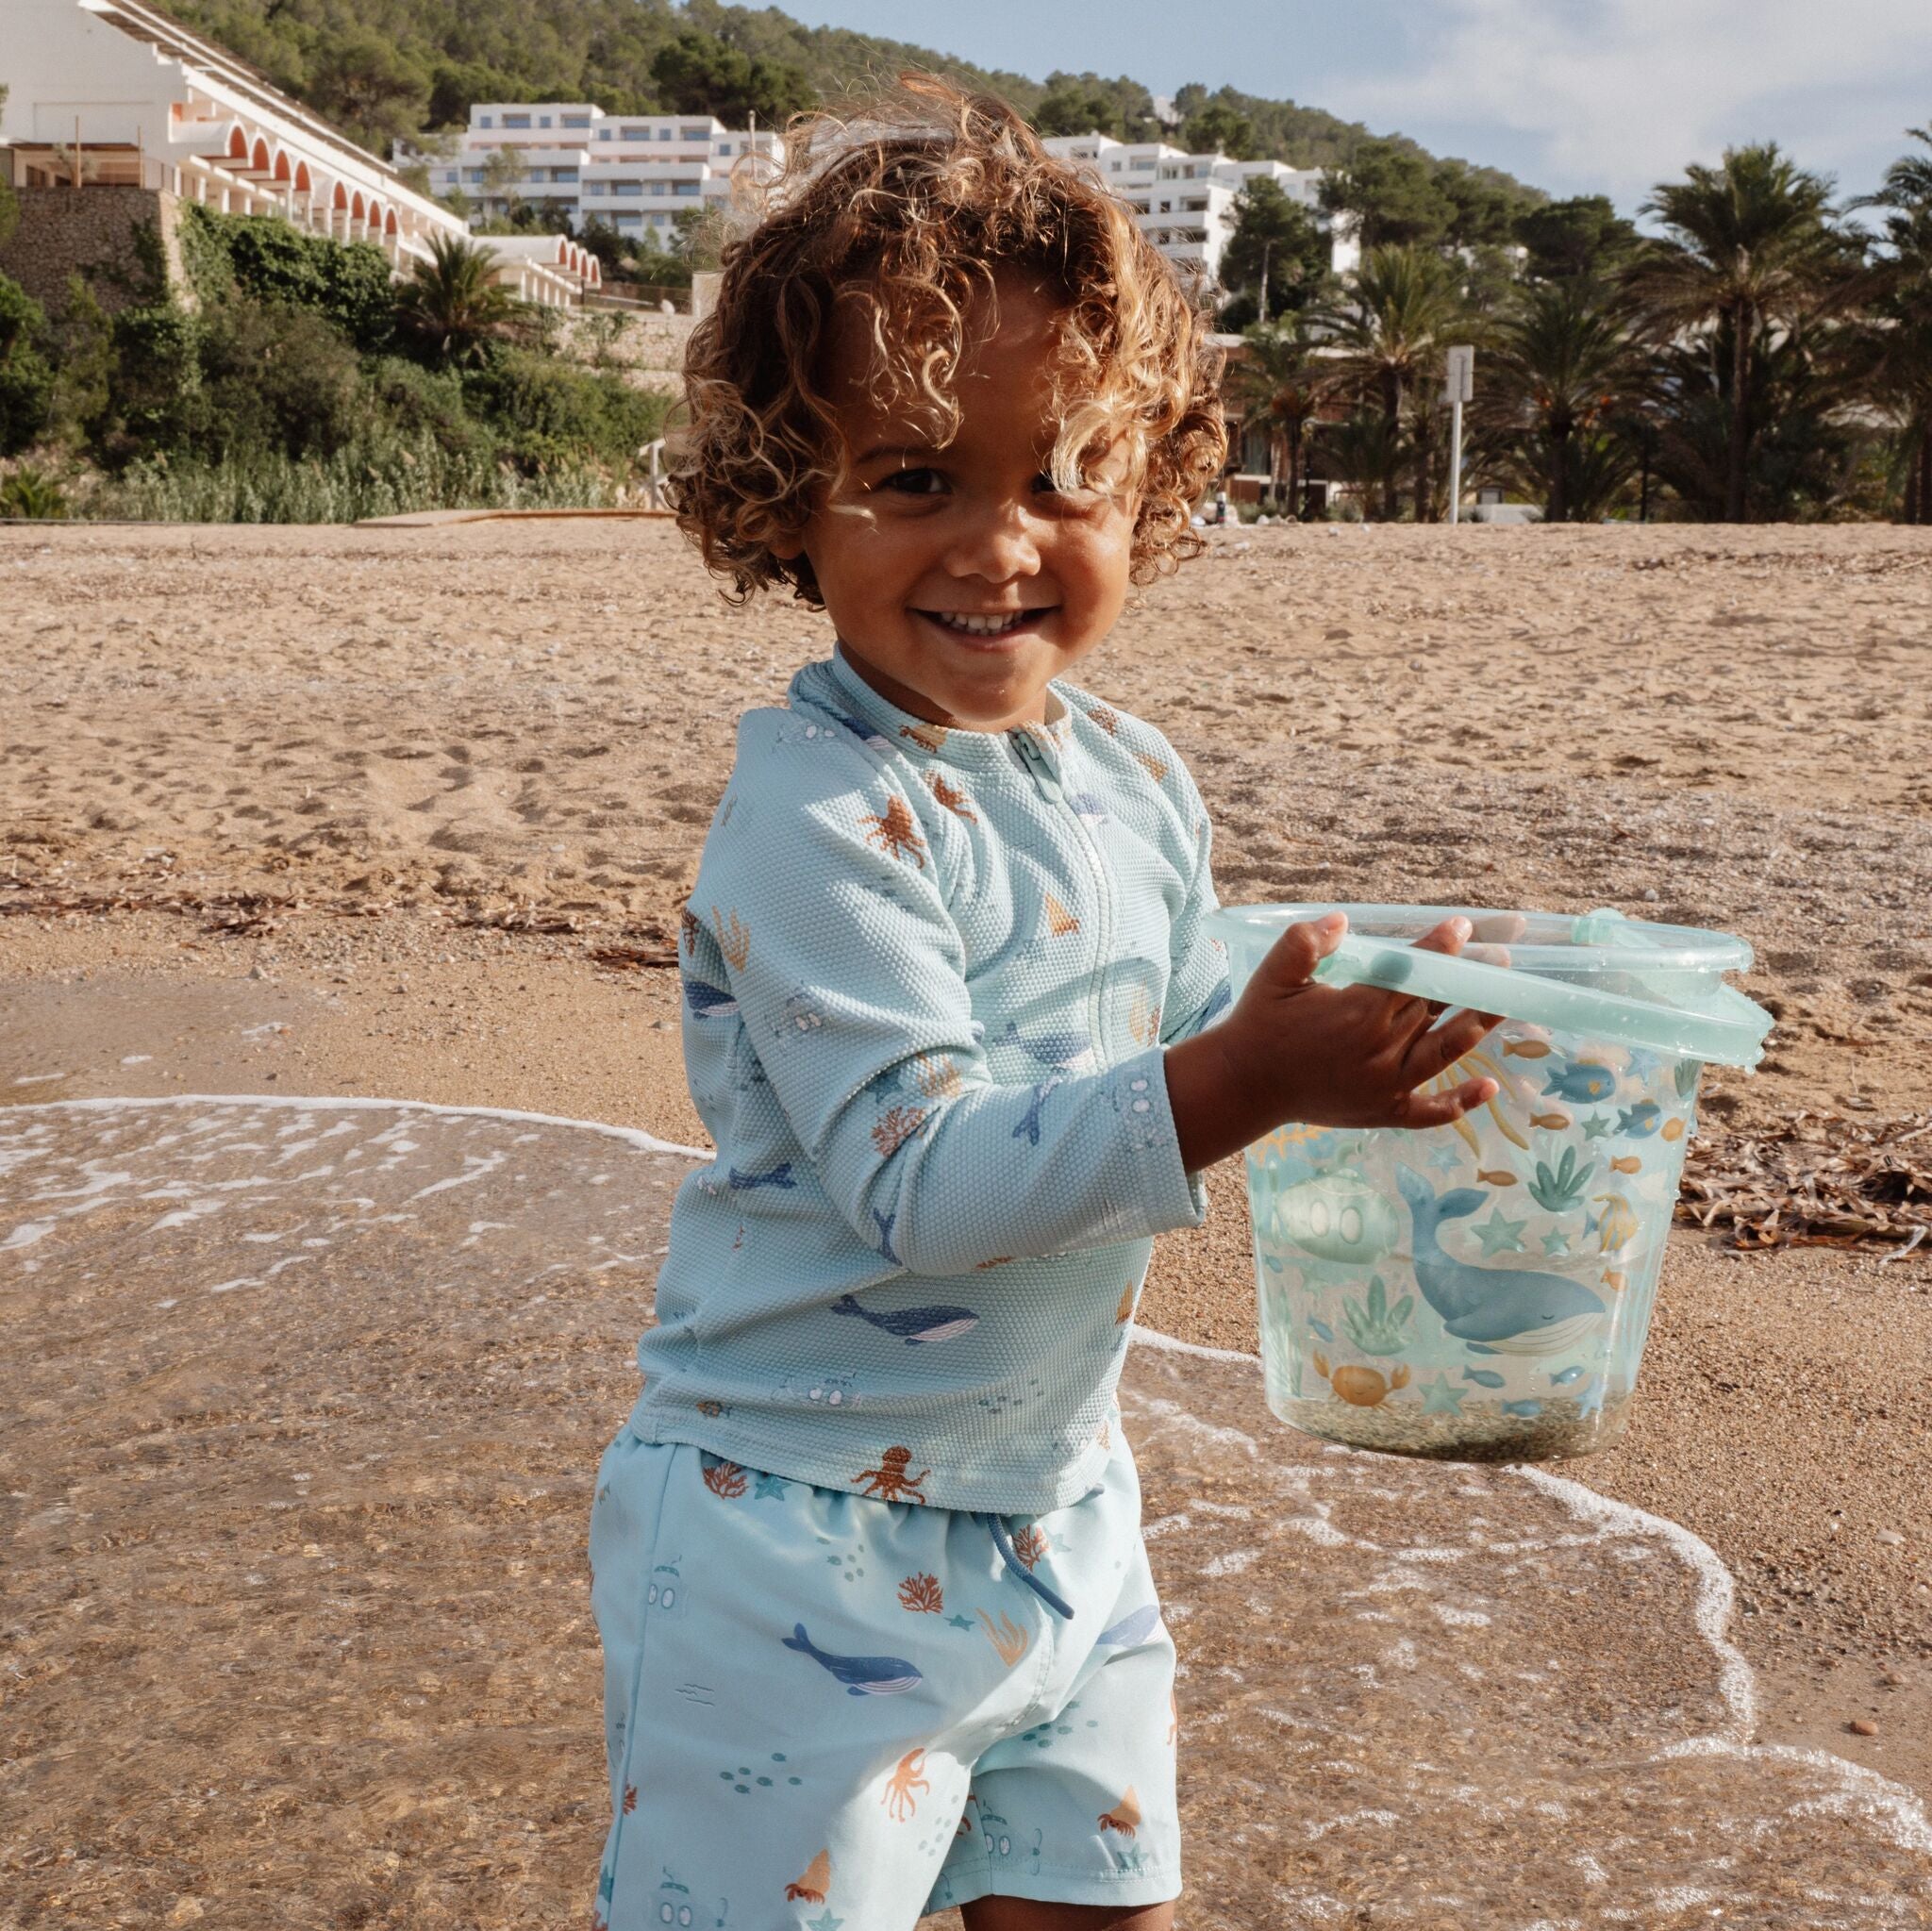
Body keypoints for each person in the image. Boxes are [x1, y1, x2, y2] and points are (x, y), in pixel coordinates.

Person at [586, 76, 1500, 1931]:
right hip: (794, 1531)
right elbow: (922, 1176)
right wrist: (1251, 1075)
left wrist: (1336, 996)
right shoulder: (815, 815)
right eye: (918, 477)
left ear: (1148, 481)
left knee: (1100, 1908)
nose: (1002, 540)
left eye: (1063, 476)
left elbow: (1150, 991)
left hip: (1060, 1500)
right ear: (788, 497)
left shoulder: (1129, 775)